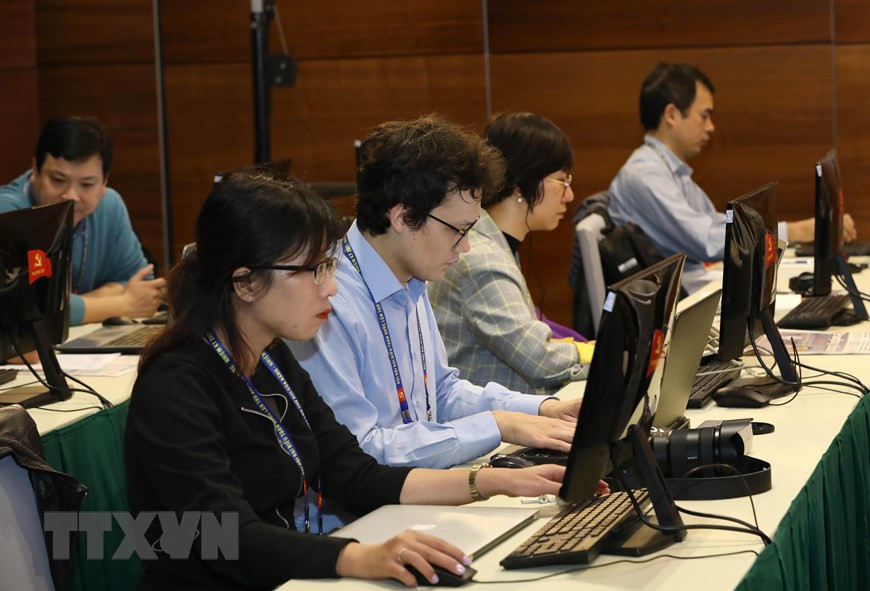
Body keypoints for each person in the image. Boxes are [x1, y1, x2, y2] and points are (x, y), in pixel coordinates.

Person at [126, 171, 596, 590]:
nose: (330, 288)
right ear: (245, 282)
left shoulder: (271, 359)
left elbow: (355, 474)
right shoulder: (176, 390)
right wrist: (361, 557)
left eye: (328, 267)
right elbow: (229, 539)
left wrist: (498, 482)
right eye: (312, 271)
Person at [288, 115, 584, 470]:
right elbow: (361, 450)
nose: (466, 247)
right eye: (457, 230)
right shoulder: (327, 298)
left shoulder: (411, 276)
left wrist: (542, 409)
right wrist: (497, 425)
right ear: (402, 217)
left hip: (417, 485)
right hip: (371, 501)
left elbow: (441, 392)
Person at [607, 62, 857, 293]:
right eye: (704, 116)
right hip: (682, 302)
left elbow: (714, 224)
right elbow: (705, 240)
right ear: (671, 115)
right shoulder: (644, 175)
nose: (711, 127)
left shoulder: (668, 169)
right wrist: (793, 231)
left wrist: (775, 232)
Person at [429, 112, 593, 395]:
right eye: (562, 181)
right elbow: (539, 361)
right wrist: (603, 354)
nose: (569, 195)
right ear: (521, 184)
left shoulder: (491, 242)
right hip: (490, 420)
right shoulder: (482, 259)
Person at [0, 116, 165, 325]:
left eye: (87, 184)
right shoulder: (8, 213)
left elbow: (142, 286)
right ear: (35, 170)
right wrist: (122, 304)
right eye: (58, 180)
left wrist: (79, 305)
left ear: (104, 182)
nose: (71, 196)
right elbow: (24, 308)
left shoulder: (110, 205)